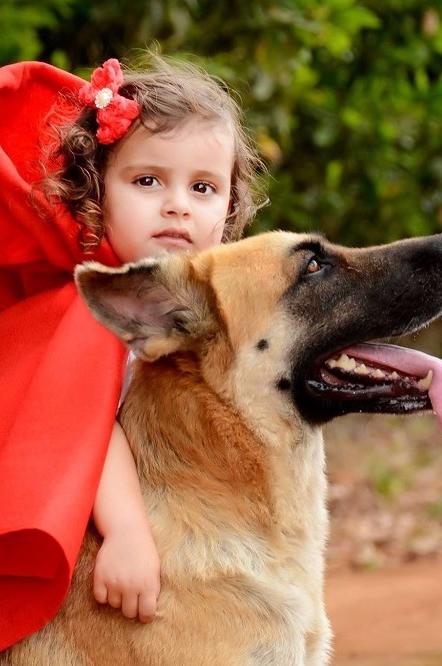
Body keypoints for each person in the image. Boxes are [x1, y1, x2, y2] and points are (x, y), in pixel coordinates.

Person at [0, 55, 265, 649]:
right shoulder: (92, 308)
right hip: (93, 527)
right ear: (96, 193)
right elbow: (85, 422)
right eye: (148, 181)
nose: (178, 205)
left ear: (229, 205)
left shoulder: (196, 304)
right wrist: (125, 533)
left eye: (203, 187)